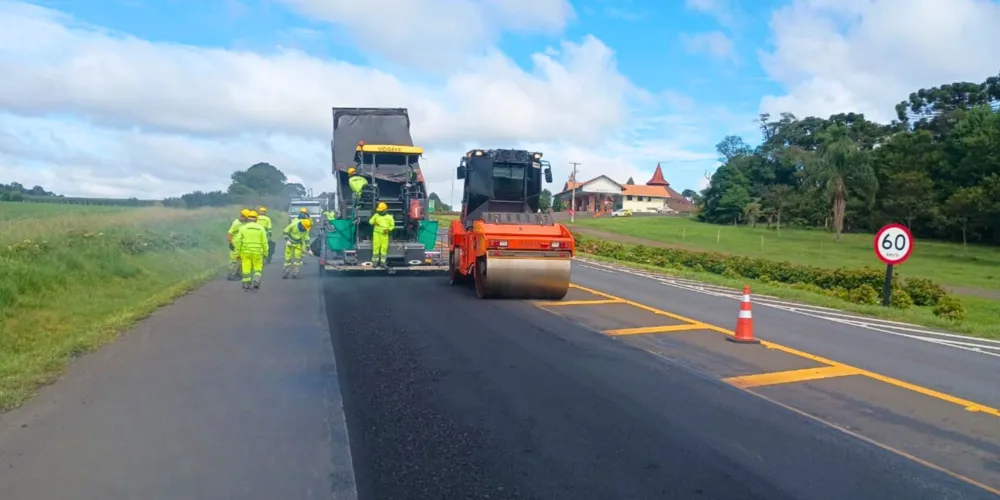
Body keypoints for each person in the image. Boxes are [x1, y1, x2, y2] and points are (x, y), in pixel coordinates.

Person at [234, 210, 268, 290]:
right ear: (256, 219)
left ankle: (246, 283)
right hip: (257, 252)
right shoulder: (261, 228)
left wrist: (237, 253)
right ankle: (256, 280)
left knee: (246, 268)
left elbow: (238, 242)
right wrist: (266, 253)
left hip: (245, 252)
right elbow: (264, 242)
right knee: (257, 268)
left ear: (248, 219)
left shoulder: (243, 228)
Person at [227, 209, 250, 280]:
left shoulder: (242, 223)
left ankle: (238, 274)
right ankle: (230, 275)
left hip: (241, 246)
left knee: (241, 260)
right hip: (235, 246)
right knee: (233, 261)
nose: (246, 220)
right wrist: (230, 243)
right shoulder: (236, 223)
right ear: (243, 217)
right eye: (246, 219)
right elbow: (229, 233)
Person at [369, 201, 394, 268]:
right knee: (376, 248)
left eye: (381, 211)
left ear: (385, 210)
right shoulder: (376, 215)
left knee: (384, 249)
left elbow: (392, 226)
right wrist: (374, 223)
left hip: (384, 235)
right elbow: (370, 221)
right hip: (376, 234)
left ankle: (383, 262)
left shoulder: (389, 217)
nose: (380, 212)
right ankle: (375, 262)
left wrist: (388, 229)